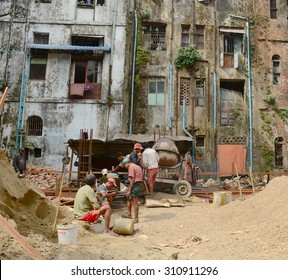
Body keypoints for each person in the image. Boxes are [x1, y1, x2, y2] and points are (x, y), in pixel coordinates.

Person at [120, 157, 143, 223]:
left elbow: (132, 179)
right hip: (137, 183)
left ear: (127, 163)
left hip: (135, 184)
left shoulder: (131, 167)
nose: (125, 167)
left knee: (134, 201)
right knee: (128, 198)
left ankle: (136, 219)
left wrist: (130, 190)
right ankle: (129, 214)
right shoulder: (135, 166)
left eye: (124, 165)